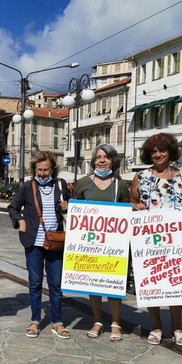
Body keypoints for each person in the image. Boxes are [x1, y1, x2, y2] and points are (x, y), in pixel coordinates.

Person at [130, 132, 182, 347]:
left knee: (176, 285)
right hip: (149, 240)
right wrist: (135, 206)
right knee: (151, 282)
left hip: (178, 240)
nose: (158, 154)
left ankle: (177, 326)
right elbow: (132, 201)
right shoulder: (140, 177)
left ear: (170, 152)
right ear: (147, 154)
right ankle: (156, 326)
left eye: (162, 150)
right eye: (153, 151)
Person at [8, 151, 71, 339]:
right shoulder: (28, 187)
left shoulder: (60, 185)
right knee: (35, 282)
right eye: (39, 170)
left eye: (46, 169)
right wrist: (19, 221)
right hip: (33, 242)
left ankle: (57, 321)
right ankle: (35, 319)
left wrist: (68, 205)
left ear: (53, 169)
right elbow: (12, 207)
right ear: (34, 169)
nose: (43, 173)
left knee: (55, 284)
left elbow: (70, 207)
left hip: (55, 240)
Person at [74, 144, 131, 341]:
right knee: (93, 284)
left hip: (113, 244)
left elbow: (127, 211)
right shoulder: (82, 183)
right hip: (90, 243)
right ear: (93, 161)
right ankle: (98, 321)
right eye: (98, 157)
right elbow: (75, 214)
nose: (102, 160)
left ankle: (116, 323)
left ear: (113, 160)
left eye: (106, 157)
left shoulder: (120, 185)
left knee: (113, 285)